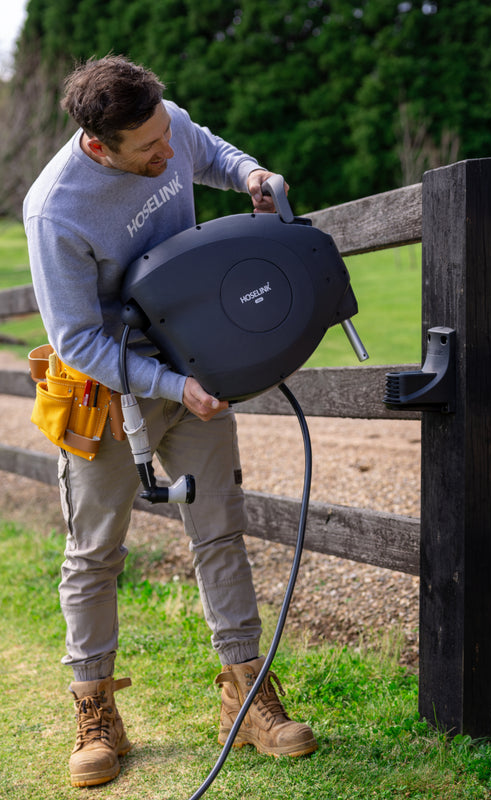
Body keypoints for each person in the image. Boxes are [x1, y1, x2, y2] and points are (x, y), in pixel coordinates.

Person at [23, 55, 317, 788]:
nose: (167, 152)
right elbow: (76, 340)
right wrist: (167, 384)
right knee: (94, 553)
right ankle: (95, 713)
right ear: (99, 145)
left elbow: (209, 149)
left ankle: (246, 700)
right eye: (148, 149)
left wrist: (249, 173)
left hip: (195, 361)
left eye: (165, 133)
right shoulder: (56, 209)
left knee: (219, 529)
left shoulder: (163, 120)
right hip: (104, 387)